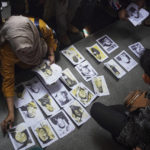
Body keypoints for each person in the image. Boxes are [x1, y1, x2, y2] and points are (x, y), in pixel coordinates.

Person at [0, 15, 58, 133]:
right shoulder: (7, 50)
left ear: (33, 35)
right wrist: (11, 112)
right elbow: (8, 80)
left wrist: (51, 53)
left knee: (58, 52)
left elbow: (49, 35)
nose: (28, 54)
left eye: (29, 48)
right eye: (21, 52)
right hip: (24, 64)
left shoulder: (38, 25)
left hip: (41, 48)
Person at [90, 49, 150, 150]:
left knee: (95, 109)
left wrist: (141, 147)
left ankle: (123, 142)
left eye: (146, 73)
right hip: (138, 119)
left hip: (136, 134)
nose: (143, 76)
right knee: (114, 108)